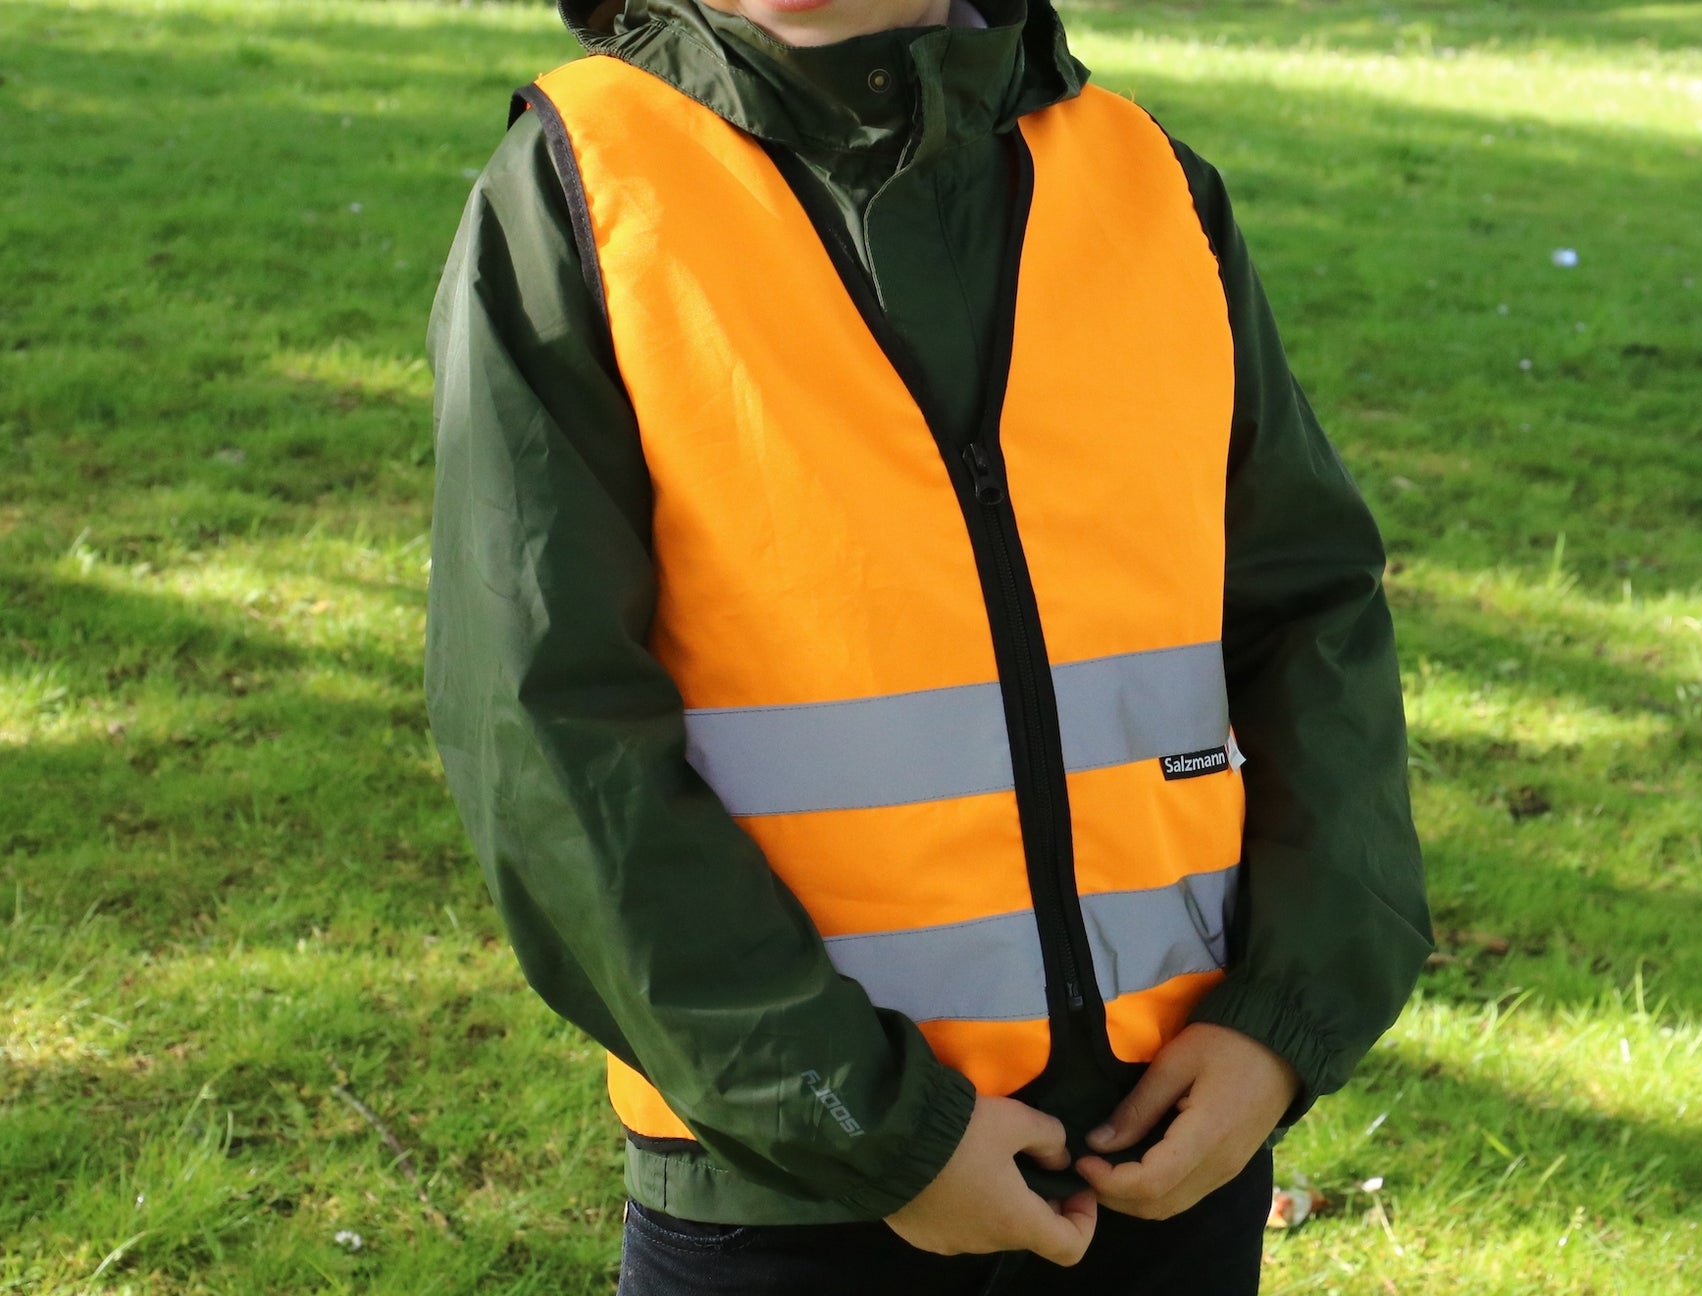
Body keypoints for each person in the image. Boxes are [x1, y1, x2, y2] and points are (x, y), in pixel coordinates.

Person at [424, 0, 1432, 1291]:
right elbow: (545, 742)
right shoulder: (578, 194)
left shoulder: (1147, 188)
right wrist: (868, 1125)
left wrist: (1282, 1026)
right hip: (790, 1200)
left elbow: (1311, 615)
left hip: (1168, 1159)